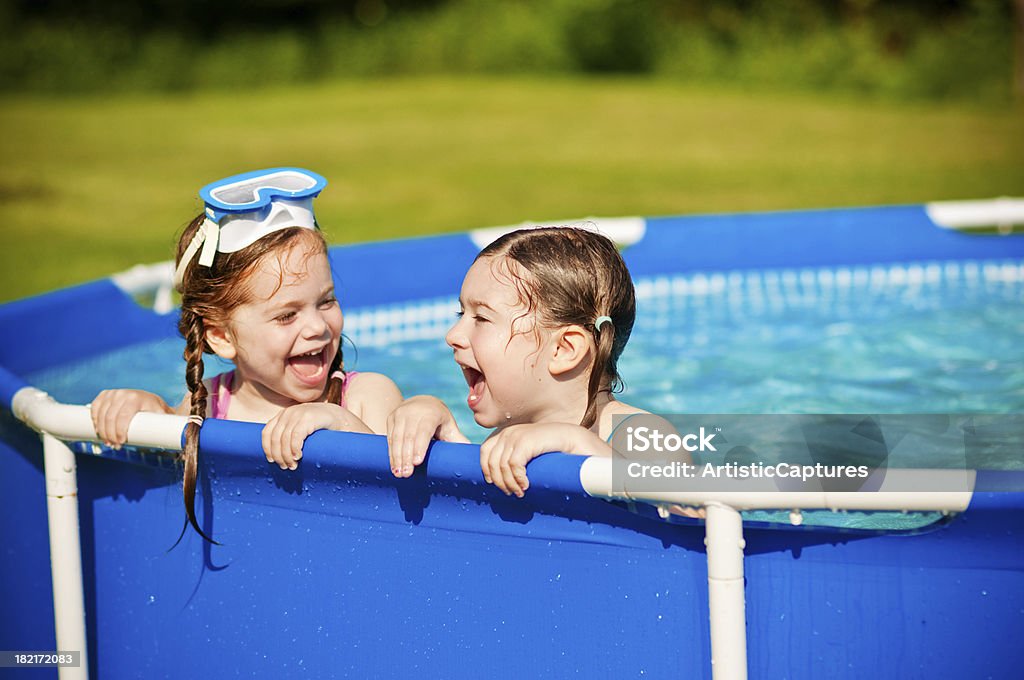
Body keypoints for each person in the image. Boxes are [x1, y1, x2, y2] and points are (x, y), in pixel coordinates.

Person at [90, 168, 402, 539]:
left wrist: (341, 425)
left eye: (326, 301)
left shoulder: (367, 397)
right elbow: (162, 467)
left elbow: (408, 504)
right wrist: (146, 409)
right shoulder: (206, 406)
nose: (317, 327)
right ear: (221, 337)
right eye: (287, 315)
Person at [387, 226, 663, 498]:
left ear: (564, 349)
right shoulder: (504, 437)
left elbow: (694, 503)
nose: (453, 336)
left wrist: (575, 442)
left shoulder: (639, 433)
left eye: (481, 318)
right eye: (461, 314)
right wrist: (439, 425)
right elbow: (471, 504)